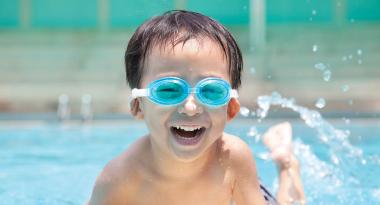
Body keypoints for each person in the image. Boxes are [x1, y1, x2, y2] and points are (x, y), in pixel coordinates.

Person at [88, 10, 305, 205]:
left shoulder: (233, 158)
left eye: (210, 91)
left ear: (230, 109)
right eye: (169, 90)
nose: (190, 107)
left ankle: (286, 165)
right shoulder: (120, 178)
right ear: (138, 106)